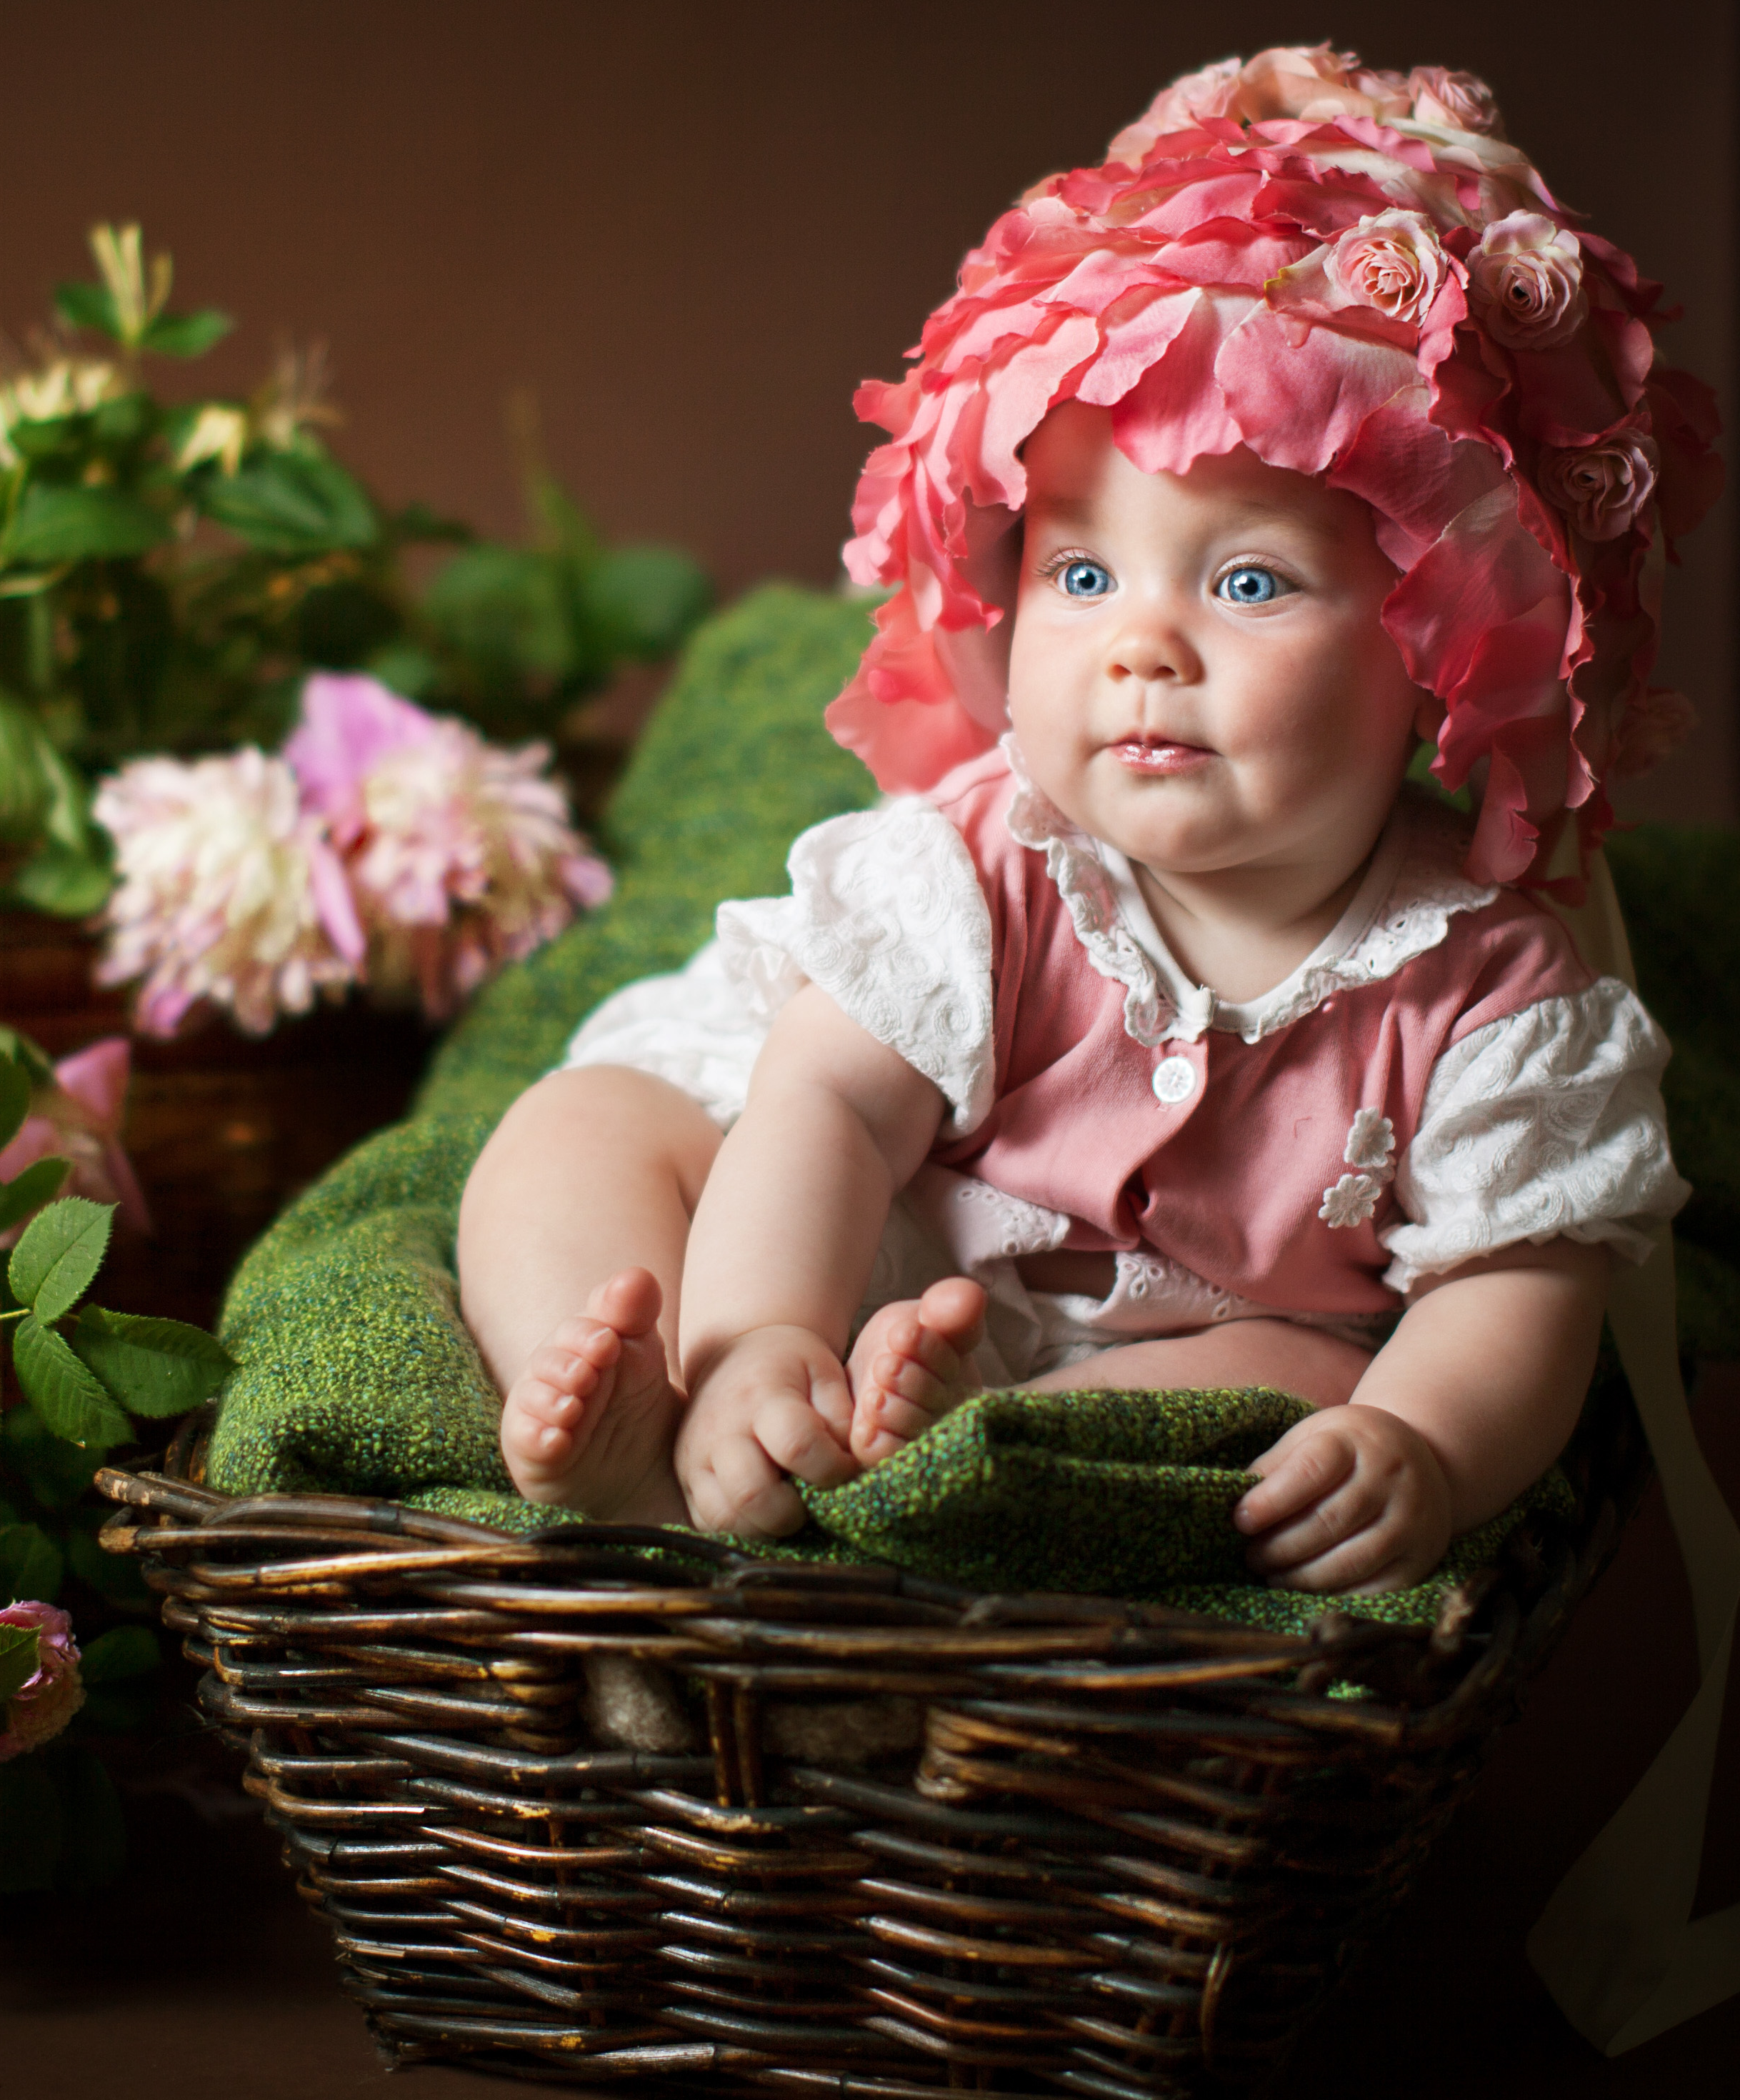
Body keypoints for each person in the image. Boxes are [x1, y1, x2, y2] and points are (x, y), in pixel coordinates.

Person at [459, 46, 1721, 1594]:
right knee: (573, 1136)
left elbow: (1517, 1286)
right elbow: (833, 1117)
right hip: (840, 1241)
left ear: (1436, 645)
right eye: (1081, 574)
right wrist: (765, 1337)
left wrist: (1432, 1448)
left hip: (1166, 1350)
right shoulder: (980, 865)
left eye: (1247, 582)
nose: (1141, 643)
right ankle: (663, 1440)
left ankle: (991, 1475)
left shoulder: (1486, 992)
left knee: (1323, 1381)